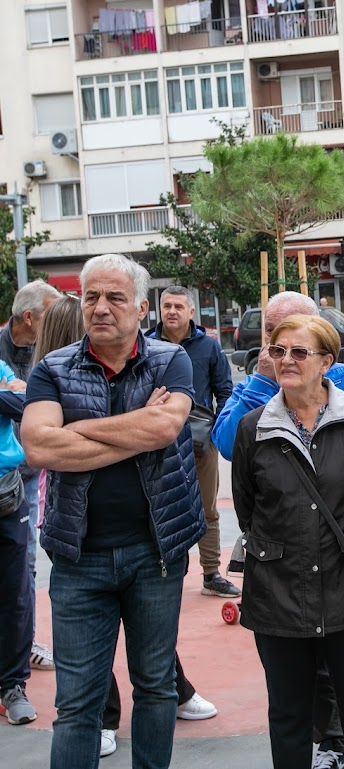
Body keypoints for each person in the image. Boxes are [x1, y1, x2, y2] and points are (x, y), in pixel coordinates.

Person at [212, 290, 344, 769]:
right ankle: (330, 746)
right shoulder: (252, 424)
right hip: (280, 591)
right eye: (275, 344)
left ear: (326, 358)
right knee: (289, 711)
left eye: (298, 349)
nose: (284, 357)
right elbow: (249, 509)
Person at [22, 254, 204, 769]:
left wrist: (75, 431)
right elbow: (38, 447)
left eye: (115, 297)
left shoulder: (171, 361)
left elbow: (163, 431)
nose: (100, 308)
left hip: (156, 554)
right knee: (76, 704)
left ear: (142, 308)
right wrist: (137, 423)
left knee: (155, 687)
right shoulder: (52, 369)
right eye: (92, 297)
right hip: (78, 560)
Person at [146, 286, 238, 598]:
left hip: (201, 440)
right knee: (158, 508)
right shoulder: (146, 344)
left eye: (178, 306)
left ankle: (211, 574)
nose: (171, 311)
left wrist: (216, 428)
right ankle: (164, 573)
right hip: (155, 439)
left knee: (207, 509)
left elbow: (225, 391)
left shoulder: (208, 347)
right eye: (166, 305)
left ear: (191, 312)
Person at [0, 279, 61, 674]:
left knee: (27, 565)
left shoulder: (48, 348)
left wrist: (23, 394)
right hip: (8, 472)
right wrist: (18, 394)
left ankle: (25, 644)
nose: (56, 321)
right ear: (29, 317)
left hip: (31, 473)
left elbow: (32, 401)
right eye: (50, 314)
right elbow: (22, 401)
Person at [0, 354, 33, 726]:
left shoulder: (0, 365)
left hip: (7, 496)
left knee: (17, 593)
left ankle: (12, 685)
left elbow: (25, 402)